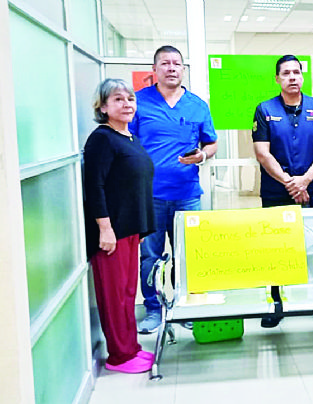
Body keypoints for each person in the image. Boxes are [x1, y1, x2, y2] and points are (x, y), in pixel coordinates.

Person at [129, 45, 218, 334]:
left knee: (189, 255)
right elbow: (126, 140)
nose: (171, 68)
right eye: (164, 63)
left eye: (176, 64)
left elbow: (211, 142)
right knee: (150, 256)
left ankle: (186, 305)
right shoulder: (138, 103)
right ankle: (153, 309)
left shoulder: (197, 104)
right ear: (154, 70)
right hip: (148, 195)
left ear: (183, 69)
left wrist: (203, 156)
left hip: (188, 194)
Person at [252, 54, 313, 328]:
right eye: (286, 73)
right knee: (276, 250)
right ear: (277, 79)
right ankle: (275, 303)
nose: (292, 77)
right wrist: (290, 183)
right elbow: (262, 153)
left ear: (303, 77)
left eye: (297, 72)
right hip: (276, 192)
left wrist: (304, 180)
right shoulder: (264, 109)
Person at [83, 79, 156, 373]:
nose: (127, 104)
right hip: (111, 233)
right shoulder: (102, 139)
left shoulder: (129, 137)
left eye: (131, 99)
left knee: (128, 292)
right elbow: (94, 186)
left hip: (130, 229)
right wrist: (105, 227)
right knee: (114, 296)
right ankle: (119, 357)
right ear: (103, 107)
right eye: (118, 100)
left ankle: (131, 347)